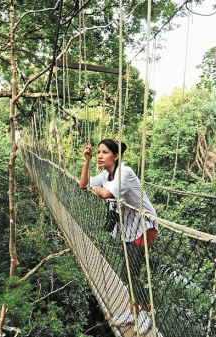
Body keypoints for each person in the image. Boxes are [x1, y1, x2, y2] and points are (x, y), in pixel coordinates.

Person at [79, 139, 159, 334]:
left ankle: (146, 312)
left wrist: (95, 190)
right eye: (98, 152)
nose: (99, 155)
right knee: (128, 272)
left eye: (104, 152)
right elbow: (83, 184)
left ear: (115, 156)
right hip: (129, 229)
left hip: (144, 227)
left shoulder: (126, 173)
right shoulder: (107, 174)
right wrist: (87, 161)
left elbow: (106, 194)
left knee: (129, 273)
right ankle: (134, 311)